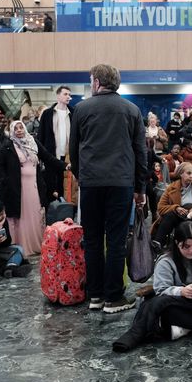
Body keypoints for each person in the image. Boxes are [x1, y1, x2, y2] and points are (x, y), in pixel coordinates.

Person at [70, 64, 148, 314]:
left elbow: (73, 149)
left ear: (97, 82)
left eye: (91, 79)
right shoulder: (131, 110)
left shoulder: (81, 109)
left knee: (91, 240)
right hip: (121, 183)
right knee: (115, 240)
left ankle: (95, 296)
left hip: (90, 183)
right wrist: (141, 188)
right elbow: (140, 153)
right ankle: (113, 298)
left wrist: (81, 176)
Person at [112, 222, 192, 352]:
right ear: (177, 243)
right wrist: (181, 291)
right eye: (186, 246)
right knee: (162, 308)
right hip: (178, 302)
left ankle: (187, 327)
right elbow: (161, 290)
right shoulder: (166, 261)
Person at [0, 120, 65, 255]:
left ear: (24, 128)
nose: (19, 130)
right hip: (16, 189)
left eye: (21, 127)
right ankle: (20, 246)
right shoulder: (7, 146)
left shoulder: (33, 143)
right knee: (20, 215)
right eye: (15, 128)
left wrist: (65, 166)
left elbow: (48, 157)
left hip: (34, 186)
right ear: (12, 131)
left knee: (36, 214)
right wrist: (5, 183)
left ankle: (37, 244)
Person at [152, 162, 192, 247]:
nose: (191, 176)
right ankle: (157, 243)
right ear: (181, 174)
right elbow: (160, 208)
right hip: (178, 217)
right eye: (188, 173)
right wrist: (176, 208)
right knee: (170, 215)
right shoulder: (171, 188)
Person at [37, 85, 73, 202]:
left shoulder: (74, 113)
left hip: (69, 157)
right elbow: (41, 136)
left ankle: (67, 216)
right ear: (58, 96)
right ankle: (51, 215)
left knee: (67, 189)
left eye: (69, 94)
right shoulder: (47, 114)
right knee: (51, 188)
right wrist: (39, 155)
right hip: (51, 156)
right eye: (65, 94)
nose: (68, 97)